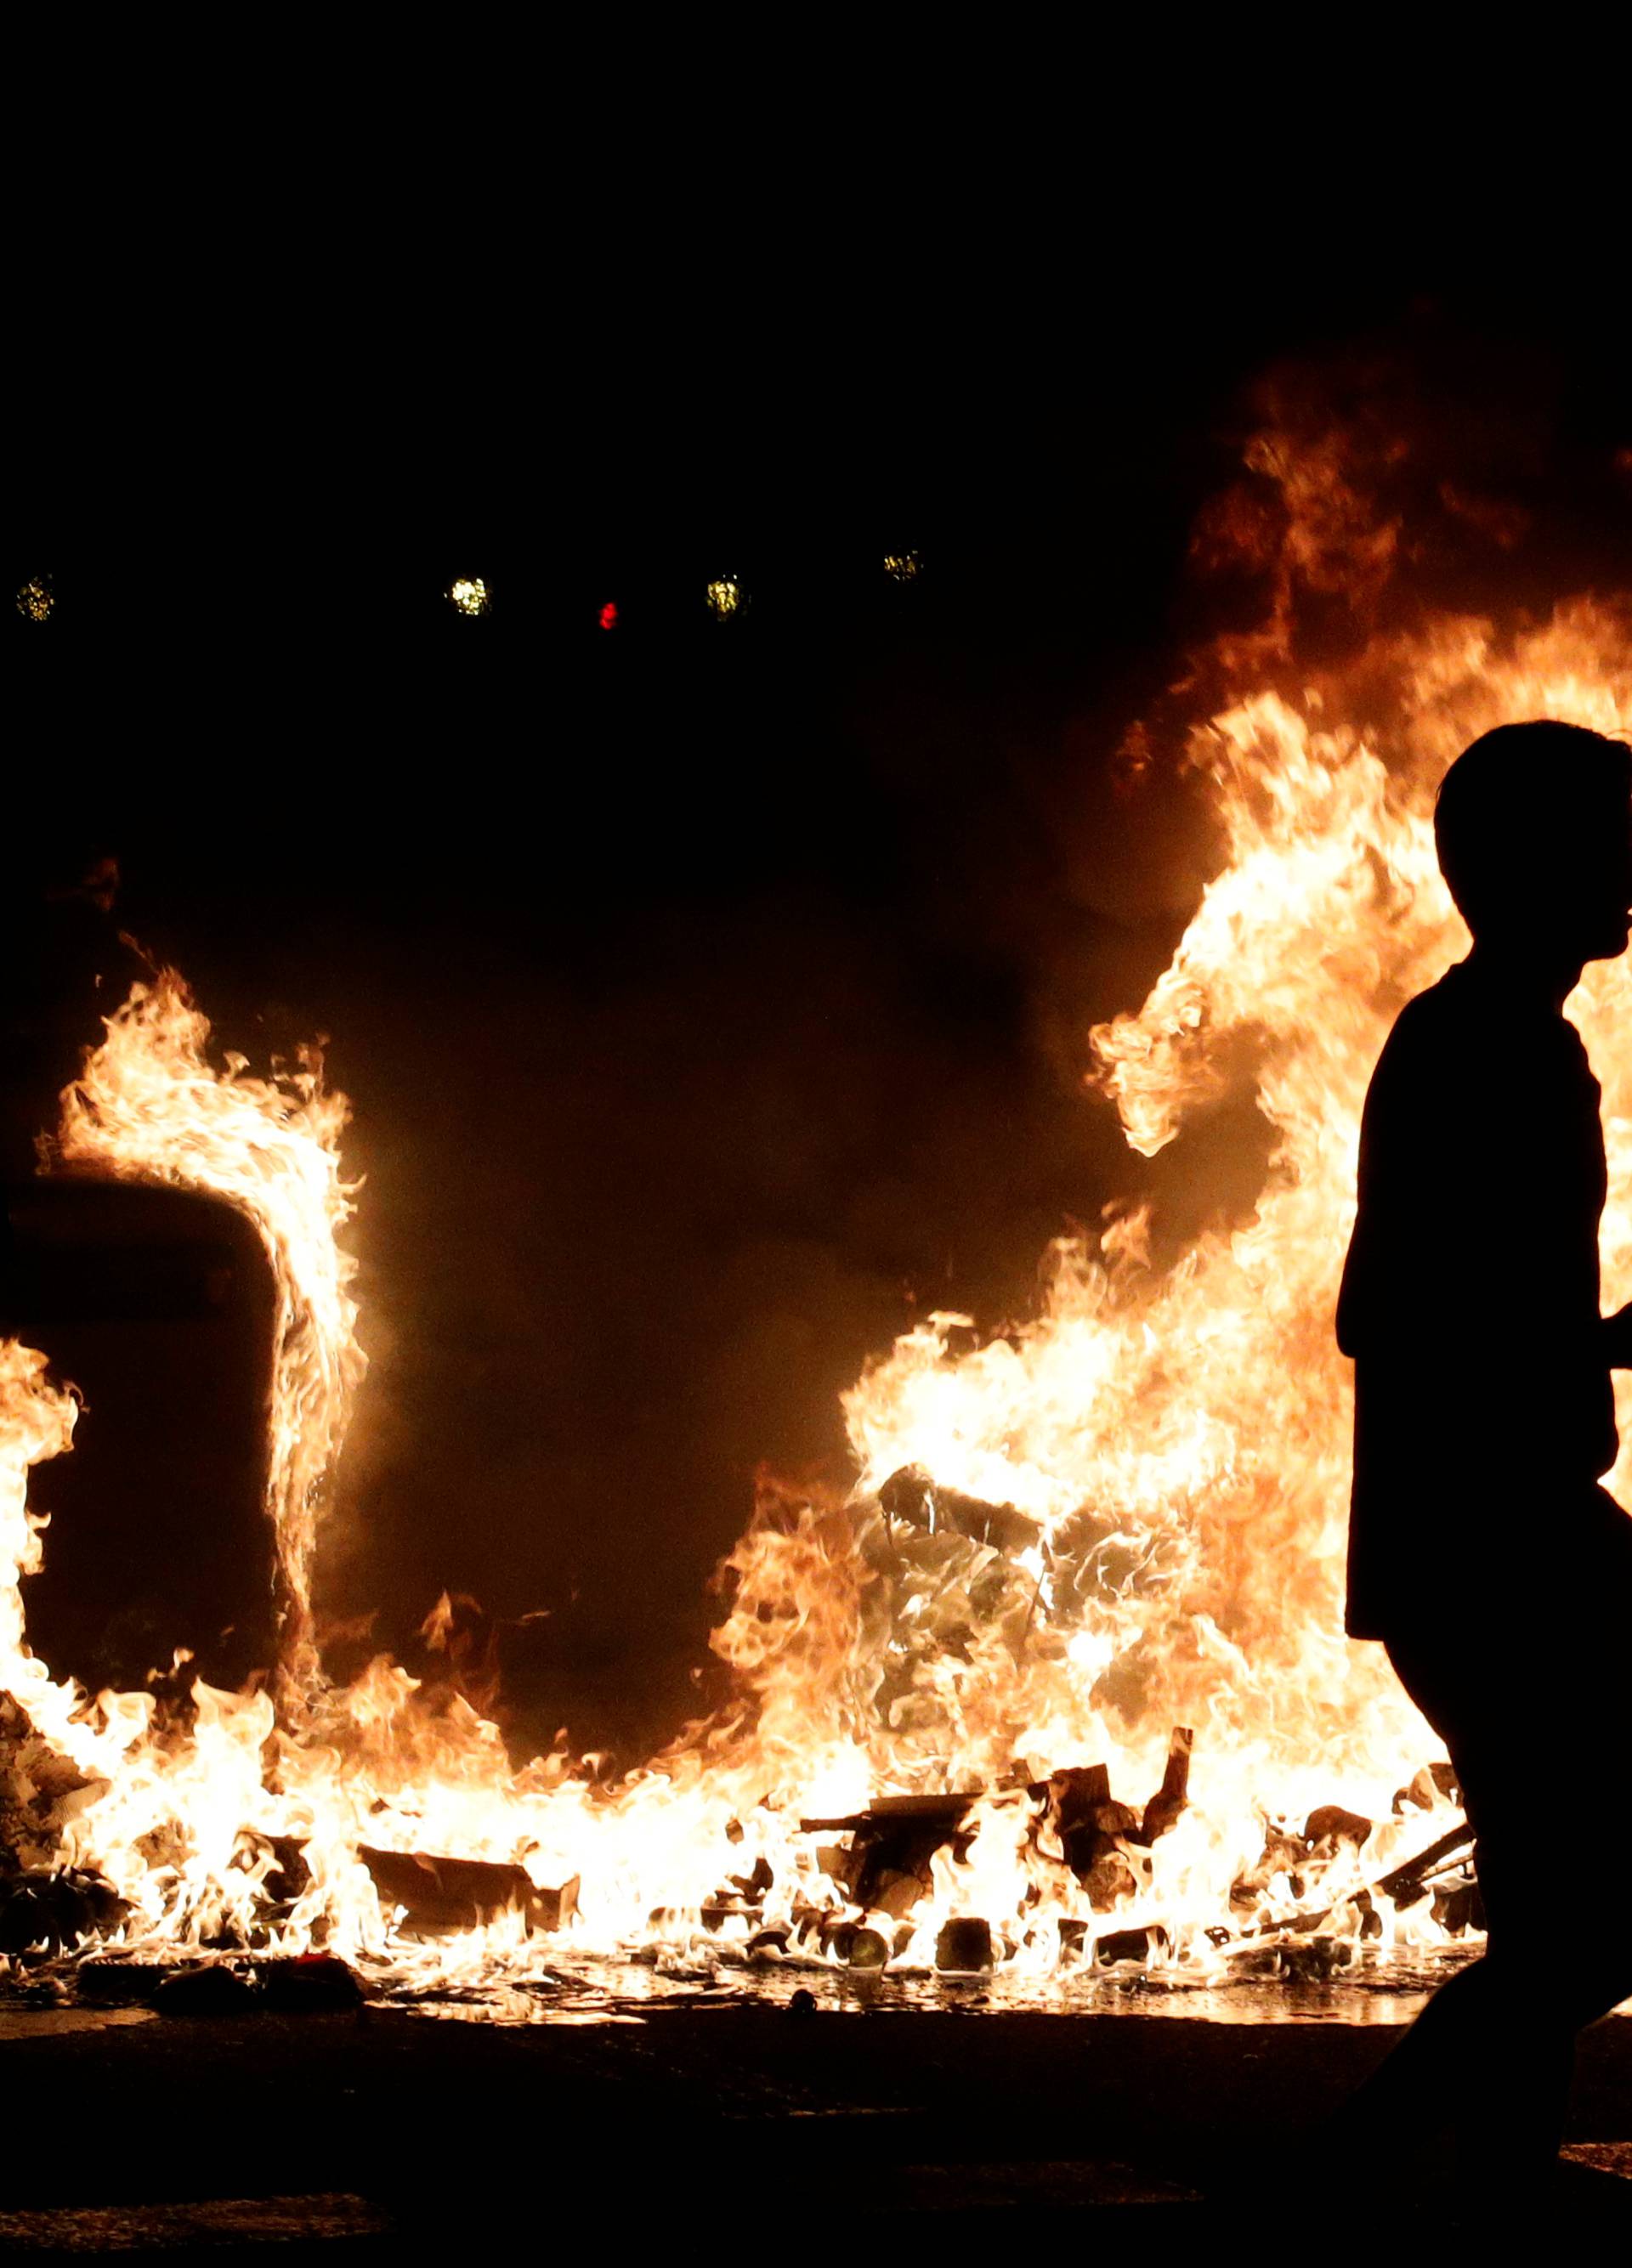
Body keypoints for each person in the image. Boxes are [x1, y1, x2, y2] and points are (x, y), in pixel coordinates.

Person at [1328, 718, 1632, 2209]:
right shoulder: (1482, 1047)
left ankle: (1496, 2194)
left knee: (1549, 1922)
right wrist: (1588, 1349)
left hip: (1511, 1534)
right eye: (1611, 838)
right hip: (1492, 1545)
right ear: (1534, 866)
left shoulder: (1513, 1038)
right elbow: (1378, 1310)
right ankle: (1343, 2169)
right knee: (1591, 1930)